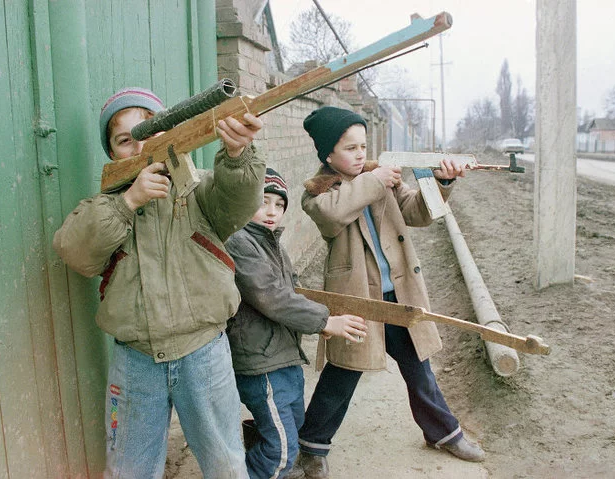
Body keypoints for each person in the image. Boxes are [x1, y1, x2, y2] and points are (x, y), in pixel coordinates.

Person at [53, 87, 265, 478]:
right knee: (128, 470)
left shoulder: (200, 189)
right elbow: (76, 252)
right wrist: (127, 201)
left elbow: (239, 200)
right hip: (134, 361)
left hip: (204, 352)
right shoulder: (108, 204)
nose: (138, 145)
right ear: (113, 153)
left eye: (150, 130)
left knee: (226, 465)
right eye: (123, 140)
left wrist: (237, 154)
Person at [294, 106, 486, 477]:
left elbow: (417, 213)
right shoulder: (318, 192)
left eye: (363, 145)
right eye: (350, 148)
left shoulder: (382, 180)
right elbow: (334, 215)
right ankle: (312, 447)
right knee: (343, 373)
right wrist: (376, 179)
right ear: (328, 155)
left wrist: (441, 183)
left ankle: (444, 433)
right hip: (359, 301)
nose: (360, 153)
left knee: (419, 368)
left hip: (398, 295)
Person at [224, 168, 368, 479]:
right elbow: (271, 296)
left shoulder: (270, 242)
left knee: (289, 426)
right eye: (263, 202)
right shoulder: (239, 241)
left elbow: (290, 292)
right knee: (283, 448)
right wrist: (325, 321)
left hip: (283, 355)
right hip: (262, 362)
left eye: (279, 204)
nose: (272, 212)